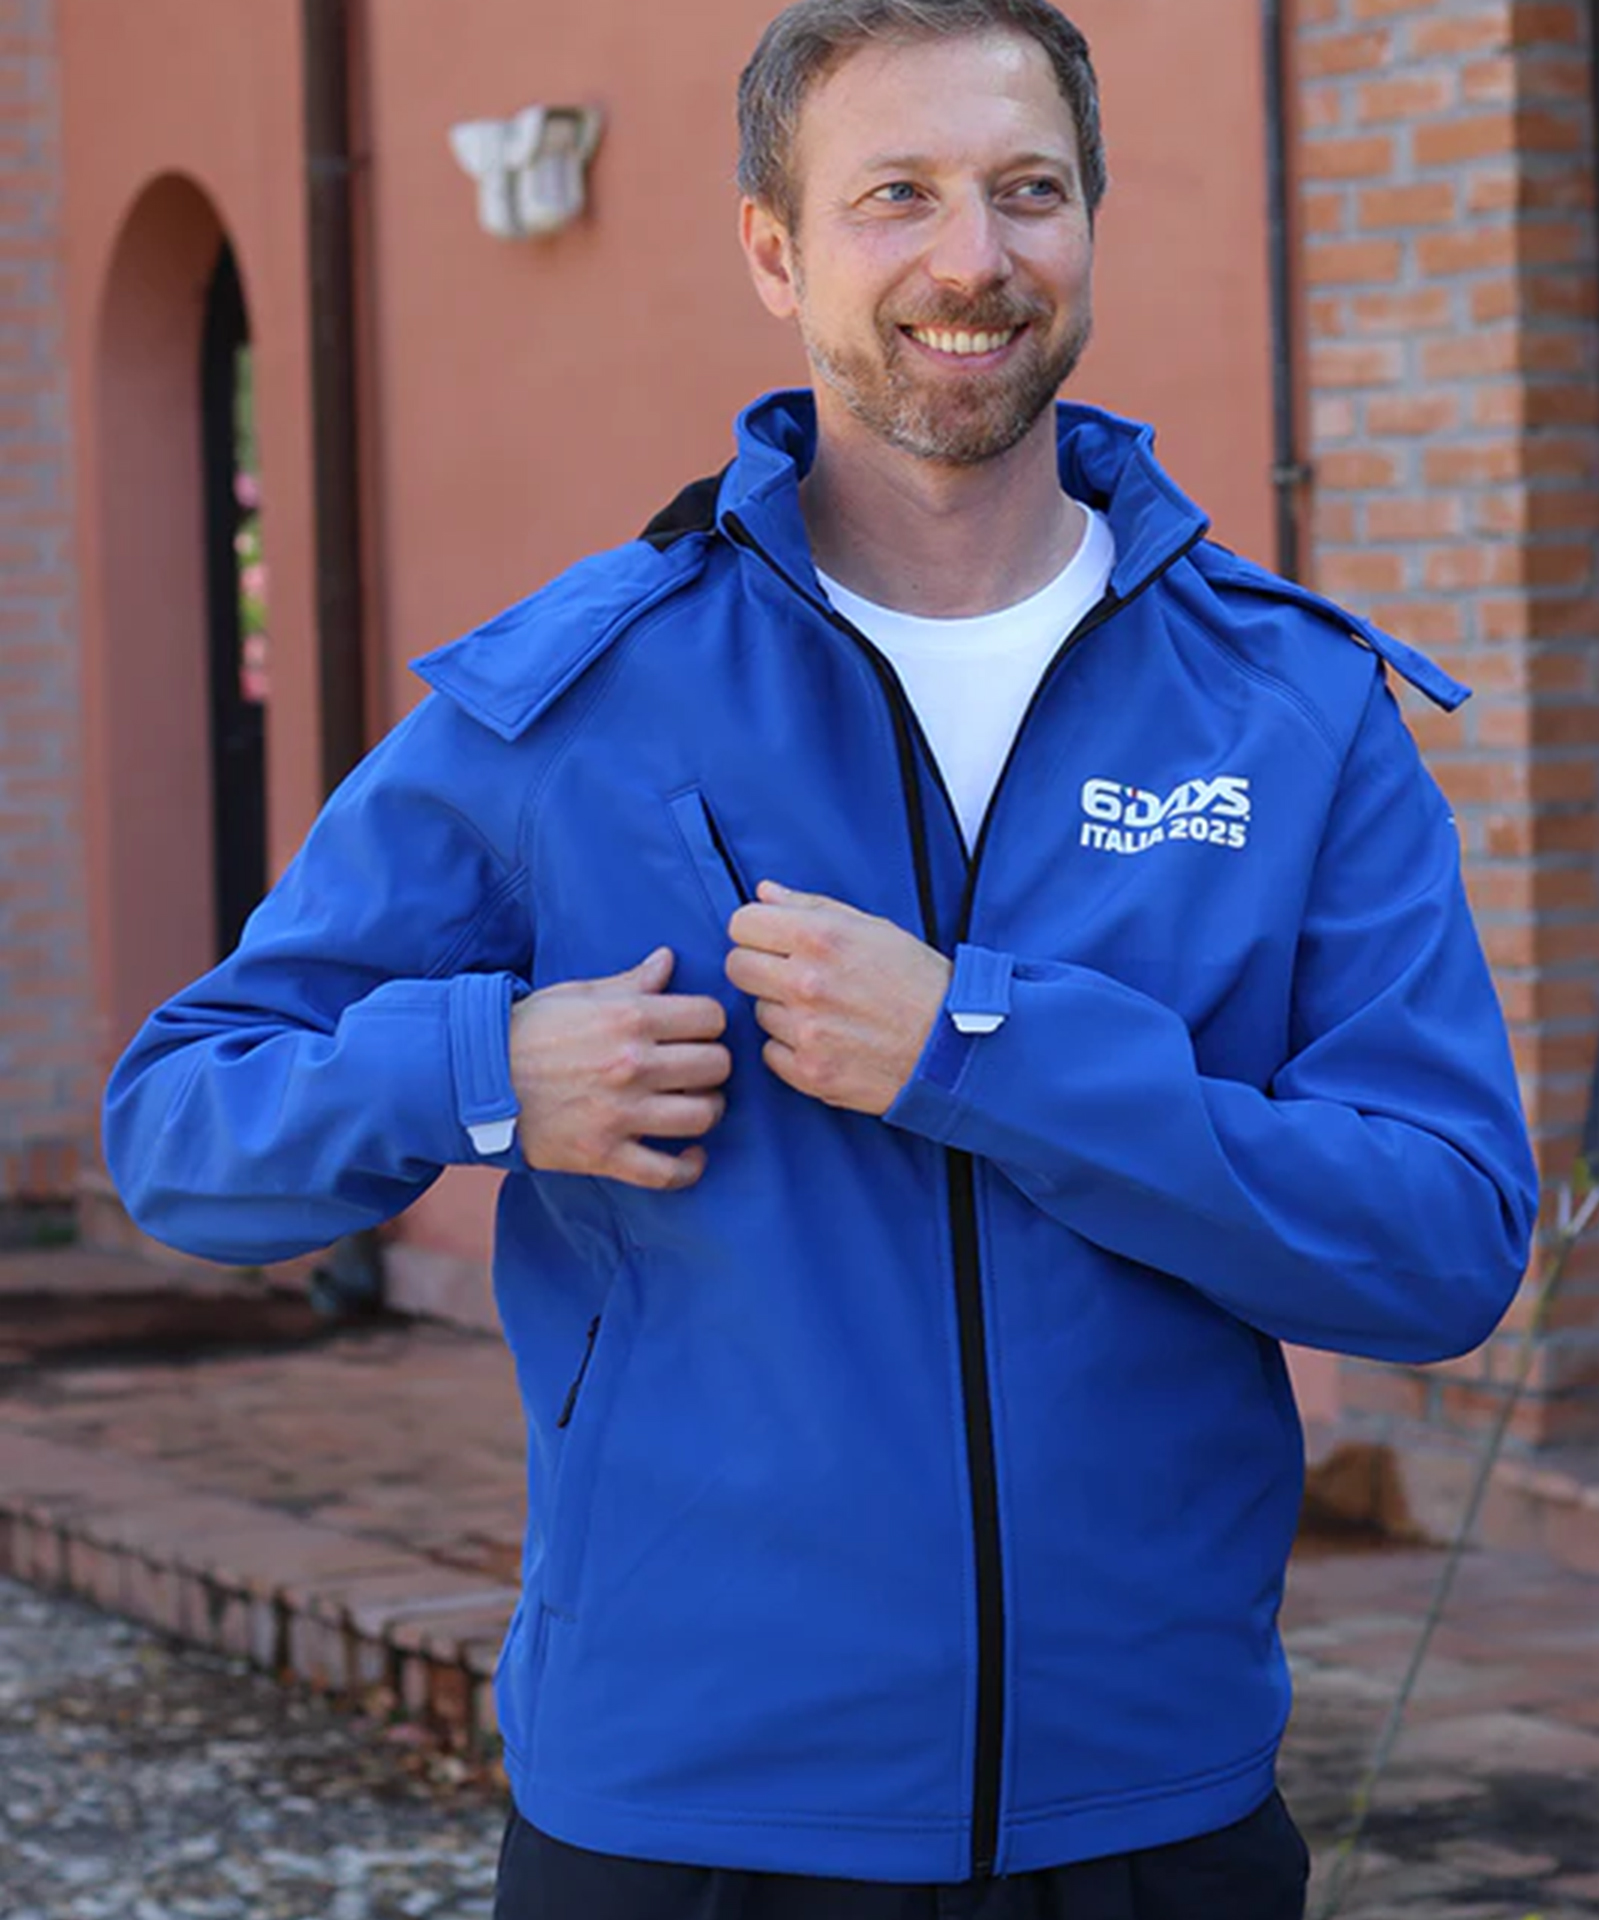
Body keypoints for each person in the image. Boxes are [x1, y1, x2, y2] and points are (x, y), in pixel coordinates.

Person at [104, 2, 1538, 1914]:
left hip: (1152, 1818)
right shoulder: (580, 698)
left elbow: (1443, 1247)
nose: (974, 258)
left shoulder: (1292, 706)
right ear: (775, 252)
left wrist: (979, 1050)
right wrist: (481, 1073)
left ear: (1091, 224)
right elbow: (180, 1135)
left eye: (1029, 191)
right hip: (686, 1823)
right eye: (897, 196)